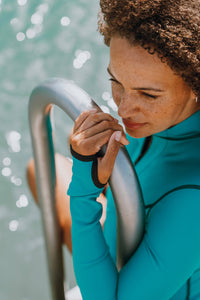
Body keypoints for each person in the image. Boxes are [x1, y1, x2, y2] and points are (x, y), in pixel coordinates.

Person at [27, 0, 200, 299]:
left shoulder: (193, 205)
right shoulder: (164, 121)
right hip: (127, 236)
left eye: (148, 94)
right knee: (39, 170)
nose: (123, 108)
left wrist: (85, 188)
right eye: (116, 81)